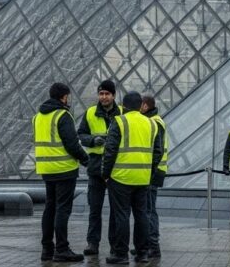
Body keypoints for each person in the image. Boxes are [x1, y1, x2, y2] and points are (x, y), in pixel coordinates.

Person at [102, 91, 162, 265]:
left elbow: (110, 150)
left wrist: (106, 174)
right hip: (142, 178)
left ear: (124, 106)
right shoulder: (151, 124)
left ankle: (121, 254)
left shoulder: (119, 121)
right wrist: (148, 172)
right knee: (141, 215)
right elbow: (157, 152)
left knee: (122, 216)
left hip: (121, 177)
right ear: (140, 105)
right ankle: (142, 253)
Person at [33, 82, 89, 262]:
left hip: (46, 169)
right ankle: (62, 249)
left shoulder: (38, 117)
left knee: (49, 208)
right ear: (64, 97)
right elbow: (71, 144)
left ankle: (47, 249)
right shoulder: (62, 116)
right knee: (62, 210)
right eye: (68, 97)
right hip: (64, 168)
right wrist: (85, 159)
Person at [76, 80, 121, 256]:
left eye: (107, 94)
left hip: (116, 167)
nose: (103, 97)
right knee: (94, 209)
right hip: (96, 168)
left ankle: (114, 244)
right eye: (101, 94)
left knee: (115, 211)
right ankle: (92, 243)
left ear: (113, 95)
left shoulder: (122, 113)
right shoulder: (90, 113)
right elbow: (81, 134)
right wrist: (93, 140)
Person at [141, 95, 168, 259]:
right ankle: (146, 244)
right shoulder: (156, 120)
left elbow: (154, 150)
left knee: (149, 210)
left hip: (152, 171)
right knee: (147, 209)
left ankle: (153, 245)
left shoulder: (154, 122)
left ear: (144, 106)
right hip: (155, 169)